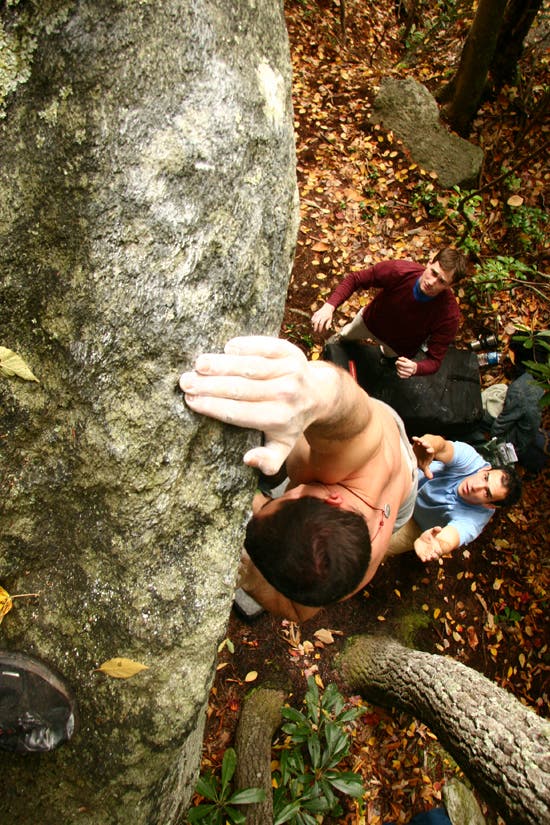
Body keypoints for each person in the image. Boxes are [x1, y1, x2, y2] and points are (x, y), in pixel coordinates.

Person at [179, 336, 418, 622]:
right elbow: (350, 412)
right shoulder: (351, 456)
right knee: (302, 457)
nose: (261, 501)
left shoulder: (343, 570)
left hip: (398, 501)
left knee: (300, 465)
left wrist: (251, 578)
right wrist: (312, 392)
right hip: (390, 444)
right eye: (272, 501)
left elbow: (299, 611)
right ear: (333, 499)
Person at [311, 248, 467, 378]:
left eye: (442, 281)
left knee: (389, 360)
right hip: (369, 322)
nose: (432, 282)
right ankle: (341, 341)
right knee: (345, 336)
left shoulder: (449, 315)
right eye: (433, 273)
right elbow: (356, 279)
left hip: (399, 347)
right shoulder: (400, 271)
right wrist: (330, 306)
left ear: (451, 285)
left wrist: (415, 368)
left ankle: (386, 360)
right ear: (430, 262)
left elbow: (435, 360)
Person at [387, 434, 522, 562]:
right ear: (485, 469)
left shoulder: (474, 520)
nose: (476, 486)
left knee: (380, 546)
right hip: (406, 483)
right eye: (485, 478)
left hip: (415, 524)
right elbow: (443, 447)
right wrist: (429, 444)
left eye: (486, 493)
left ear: (489, 505)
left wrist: (438, 544)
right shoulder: (470, 460)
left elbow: (451, 537)